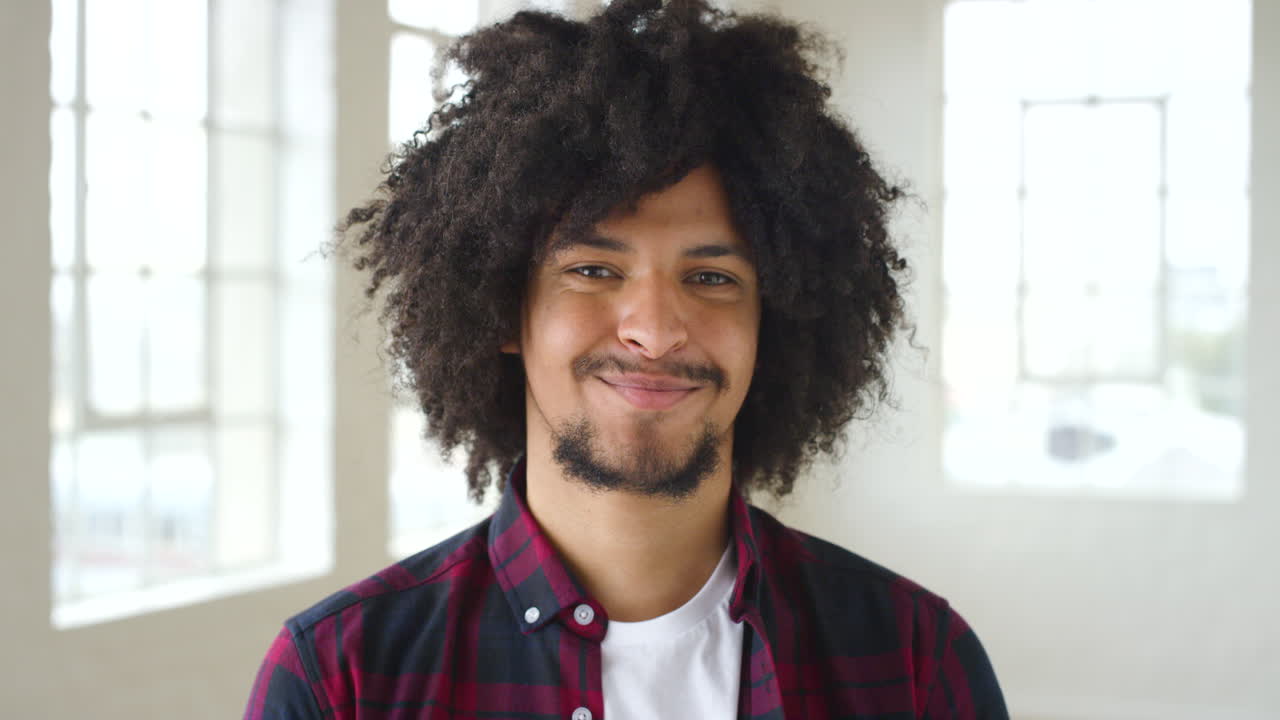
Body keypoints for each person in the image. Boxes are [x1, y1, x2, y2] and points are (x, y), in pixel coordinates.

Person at [244, 0, 1008, 718]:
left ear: (777, 321)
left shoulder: (915, 659)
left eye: (711, 278)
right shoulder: (343, 677)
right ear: (503, 310)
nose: (654, 330)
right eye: (594, 271)